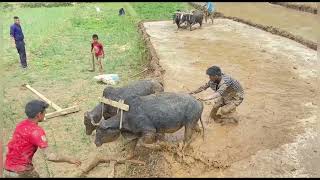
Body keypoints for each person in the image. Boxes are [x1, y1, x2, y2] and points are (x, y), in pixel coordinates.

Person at [3, 100, 81, 178]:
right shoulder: (36, 131)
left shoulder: (21, 125)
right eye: (44, 112)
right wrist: (69, 159)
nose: (45, 114)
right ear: (39, 115)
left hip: (7, 169)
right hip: (21, 172)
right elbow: (50, 156)